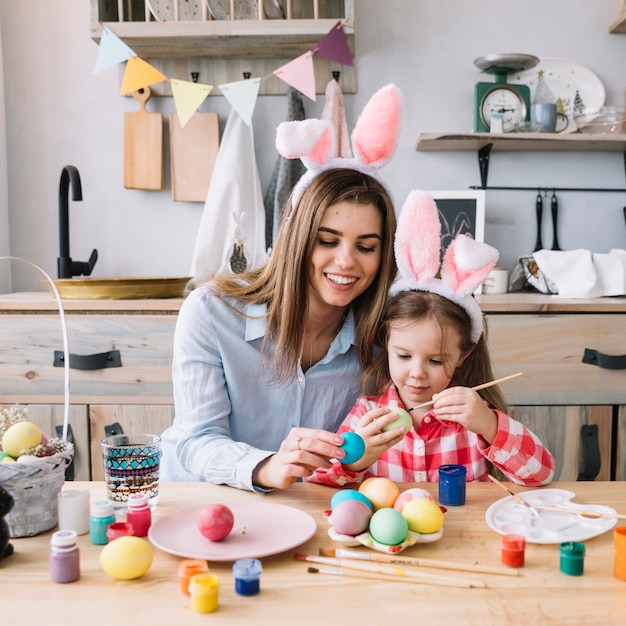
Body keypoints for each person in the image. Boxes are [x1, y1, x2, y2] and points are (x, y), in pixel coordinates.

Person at [160, 84, 404, 492]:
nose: (346, 261)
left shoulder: (384, 336)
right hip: (197, 499)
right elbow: (195, 440)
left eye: (366, 247)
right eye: (327, 241)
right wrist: (266, 466)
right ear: (295, 239)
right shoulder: (210, 313)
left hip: (307, 507)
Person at [307, 190, 555, 487]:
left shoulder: (473, 417)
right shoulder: (369, 413)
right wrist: (357, 459)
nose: (417, 373)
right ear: (385, 344)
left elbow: (541, 474)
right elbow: (319, 481)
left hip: (466, 533)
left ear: (463, 356)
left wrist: (490, 425)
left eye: (436, 360)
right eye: (403, 356)